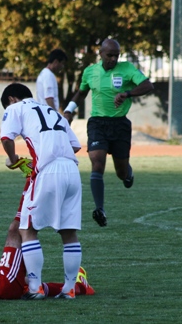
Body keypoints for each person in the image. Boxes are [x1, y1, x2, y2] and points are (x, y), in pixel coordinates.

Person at [0, 83, 83, 300]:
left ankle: (35, 287)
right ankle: (69, 288)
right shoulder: (53, 112)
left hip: (48, 171)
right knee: (69, 232)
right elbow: (74, 146)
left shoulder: (15, 108)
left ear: (11, 99)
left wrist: (13, 159)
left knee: (27, 228)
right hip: (72, 171)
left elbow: (6, 138)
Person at [63, 38, 154, 227]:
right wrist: (69, 111)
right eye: (109, 55)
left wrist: (127, 94)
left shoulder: (127, 69)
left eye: (116, 55)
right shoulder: (90, 72)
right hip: (97, 123)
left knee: (121, 171)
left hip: (120, 125)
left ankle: (128, 174)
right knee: (97, 164)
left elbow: (148, 85)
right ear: (101, 54)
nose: (113, 59)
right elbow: (81, 93)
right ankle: (100, 209)